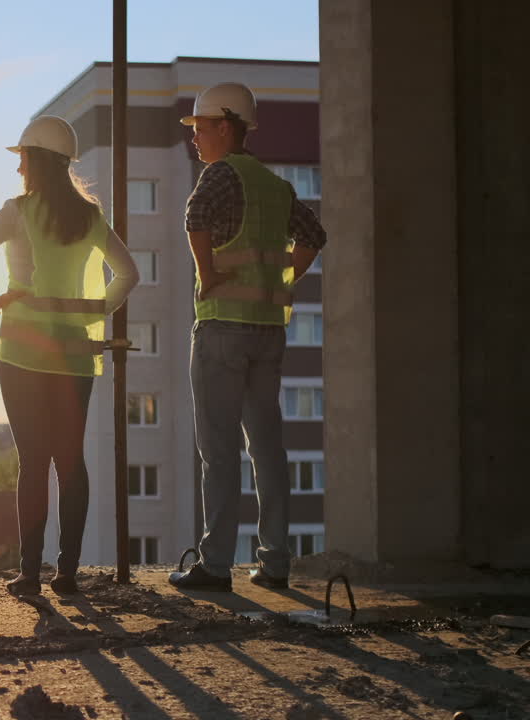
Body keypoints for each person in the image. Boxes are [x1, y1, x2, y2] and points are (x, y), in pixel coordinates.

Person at [0, 115, 138, 596]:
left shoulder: (17, 211)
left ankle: (29, 574)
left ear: (33, 161)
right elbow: (128, 274)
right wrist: (98, 307)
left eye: (22, 159)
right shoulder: (91, 218)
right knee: (70, 461)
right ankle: (68, 574)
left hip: (20, 351)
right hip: (75, 356)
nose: (19, 169)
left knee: (33, 462)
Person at [167, 83, 326, 592]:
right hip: (266, 331)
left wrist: (207, 273)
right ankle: (275, 561)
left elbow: (194, 218)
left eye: (201, 128)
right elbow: (314, 236)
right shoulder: (275, 187)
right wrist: (284, 280)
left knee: (218, 450)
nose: (196, 139)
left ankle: (216, 565)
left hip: (221, 331)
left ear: (225, 126)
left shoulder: (219, 175)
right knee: (268, 448)